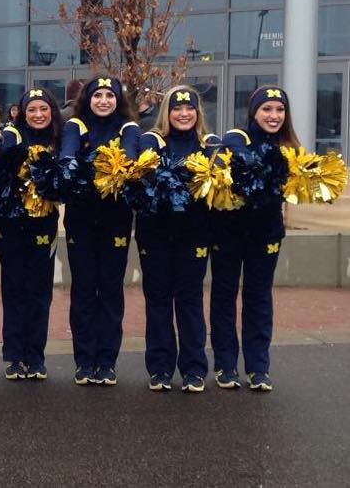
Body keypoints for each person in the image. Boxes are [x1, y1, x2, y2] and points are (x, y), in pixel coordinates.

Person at [210, 86, 298, 392]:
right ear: (254, 112)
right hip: (228, 232)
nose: (274, 116)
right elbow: (239, 154)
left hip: (266, 233)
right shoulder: (238, 136)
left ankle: (258, 367)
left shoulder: (290, 147)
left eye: (279, 110)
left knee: (259, 297)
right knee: (224, 296)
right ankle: (225, 365)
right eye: (267, 109)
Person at [60, 75, 140, 386]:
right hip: (81, 219)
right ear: (87, 99)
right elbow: (67, 156)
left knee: (110, 290)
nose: (104, 100)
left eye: (109, 95)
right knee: (83, 289)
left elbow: (130, 159)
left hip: (116, 221)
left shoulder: (128, 127)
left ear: (118, 99)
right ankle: (84, 361)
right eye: (97, 95)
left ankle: (107, 362)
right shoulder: (75, 126)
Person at [136, 86, 214, 393]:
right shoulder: (151, 142)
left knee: (190, 301)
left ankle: (194, 369)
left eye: (189, 108)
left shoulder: (209, 145)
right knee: (157, 301)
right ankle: (160, 368)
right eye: (177, 109)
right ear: (167, 113)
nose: (184, 113)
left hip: (194, 235)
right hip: (154, 234)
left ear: (197, 112)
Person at [0, 88, 62, 381]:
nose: (38, 115)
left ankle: (35, 356)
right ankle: (14, 356)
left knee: (39, 292)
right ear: (22, 112)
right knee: (13, 290)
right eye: (32, 110)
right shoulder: (12, 135)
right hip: (11, 224)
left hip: (44, 225)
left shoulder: (60, 140)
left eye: (43, 109)